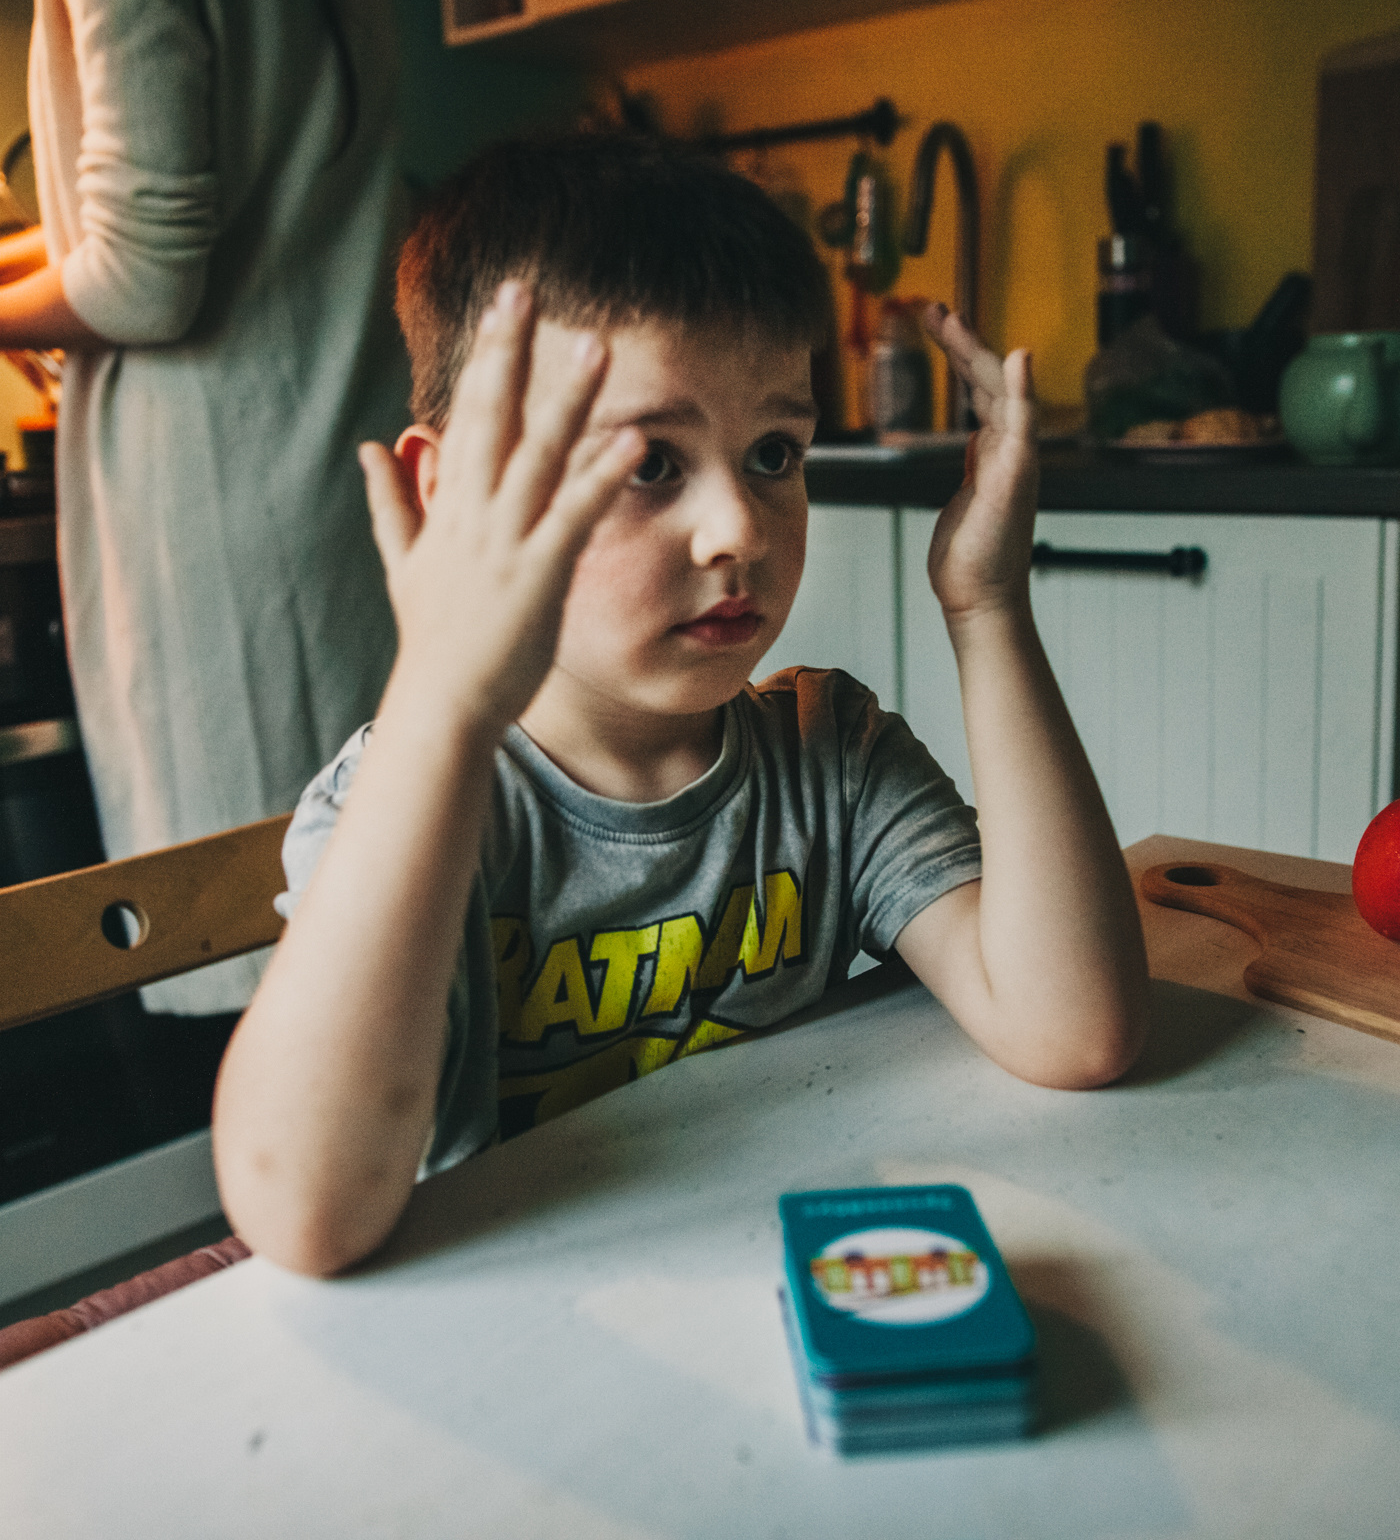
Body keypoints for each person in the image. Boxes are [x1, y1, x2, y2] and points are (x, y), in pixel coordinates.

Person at [211, 133, 1151, 1278]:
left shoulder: (829, 759)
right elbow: (306, 1218)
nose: (741, 529)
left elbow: (1077, 1027)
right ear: (451, 491)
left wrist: (989, 603)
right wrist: (443, 704)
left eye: (772, 452)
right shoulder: (404, 804)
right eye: (652, 463)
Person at [0, 0, 408, 1019]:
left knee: (274, 948)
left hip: (225, 492)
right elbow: (217, 193)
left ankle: (311, 1187)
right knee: (389, 911)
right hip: (349, 445)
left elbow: (143, 285)